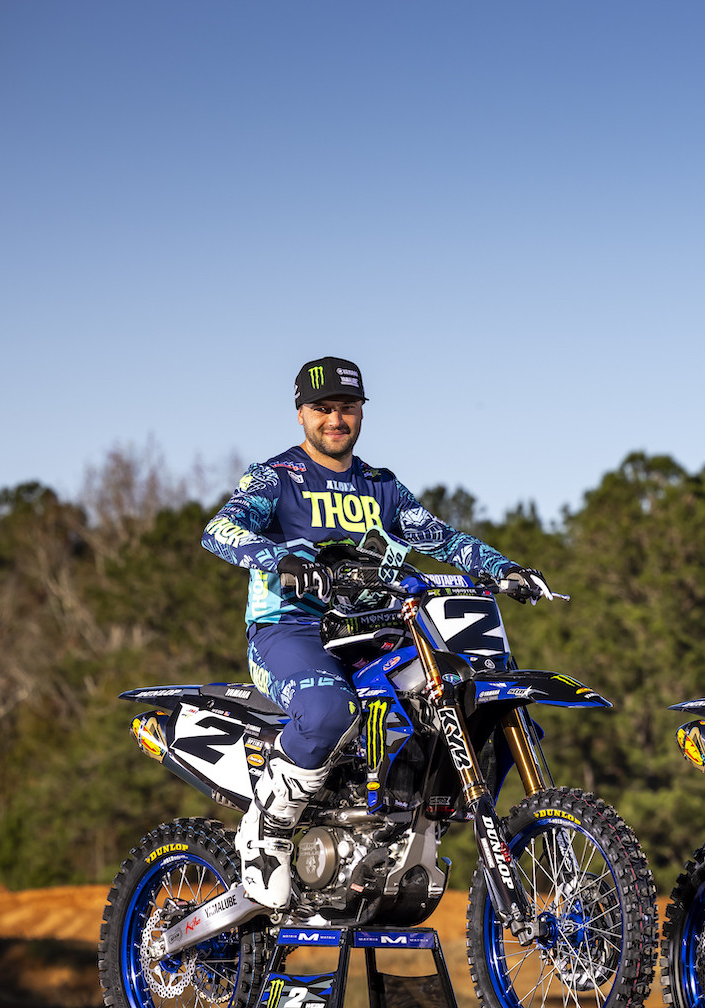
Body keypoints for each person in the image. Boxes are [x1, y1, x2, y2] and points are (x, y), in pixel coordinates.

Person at [201, 356, 553, 911]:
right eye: (322, 408)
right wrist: (282, 560)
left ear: (362, 412)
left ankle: (404, 819)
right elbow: (220, 529)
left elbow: (441, 537)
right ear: (301, 414)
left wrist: (503, 569)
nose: (335, 420)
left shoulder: (379, 486)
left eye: (347, 407)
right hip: (290, 629)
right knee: (328, 711)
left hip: (374, 630)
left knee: (456, 689)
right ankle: (266, 832)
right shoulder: (276, 477)